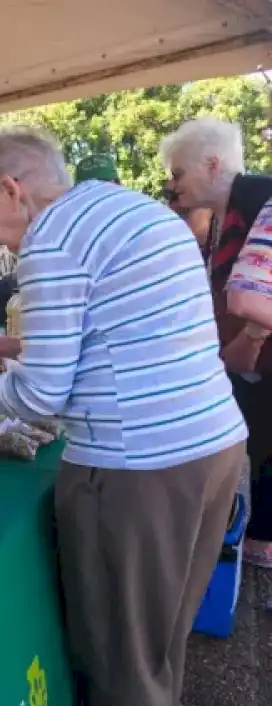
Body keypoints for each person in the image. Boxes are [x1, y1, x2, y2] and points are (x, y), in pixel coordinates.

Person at [0, 127, 246, 706]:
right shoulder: (132, 209)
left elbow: (40, 395)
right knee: (159, 644)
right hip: (212, 448)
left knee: (122, 662)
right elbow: (110, 333)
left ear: (11, 190)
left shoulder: (51, 240)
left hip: (138, 468)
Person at [161, 117, 272, 567]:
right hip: (241, 362)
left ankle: (261, 544)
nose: (171, 186)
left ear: (211, 164)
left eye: (177, 174)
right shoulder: (215, 217)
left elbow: (253, 295)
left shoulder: (262, 197)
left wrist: (251, 336)